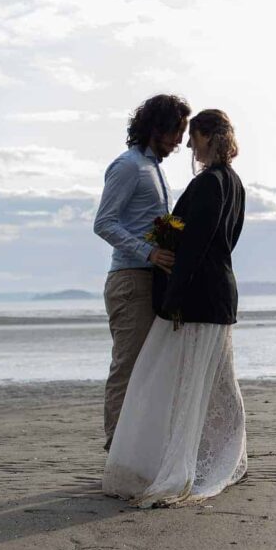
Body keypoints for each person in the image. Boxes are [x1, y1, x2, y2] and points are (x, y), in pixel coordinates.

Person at [102, 109, 247, 508]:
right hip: (203, 293)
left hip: (195, 299)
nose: (184, 144)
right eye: (177, 133)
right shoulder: (231, 182)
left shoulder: (206, 184)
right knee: (207, 382)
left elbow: (197, 247)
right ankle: (196, 458)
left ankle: (156, 463)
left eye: (190, 135)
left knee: (175, 379)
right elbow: (226, 242)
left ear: (205, 137)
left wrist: (173, 297)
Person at [94, 93, 191, 450]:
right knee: (128, 368)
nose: (179, 141)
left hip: (151, 280)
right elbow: (103, 223)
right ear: (156, 127)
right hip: (130, 280)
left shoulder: (155, 168)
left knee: (151, 370)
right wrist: (148, 252)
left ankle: (139, 450)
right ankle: (117, 452)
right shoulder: (128, 166)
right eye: (176, 132)